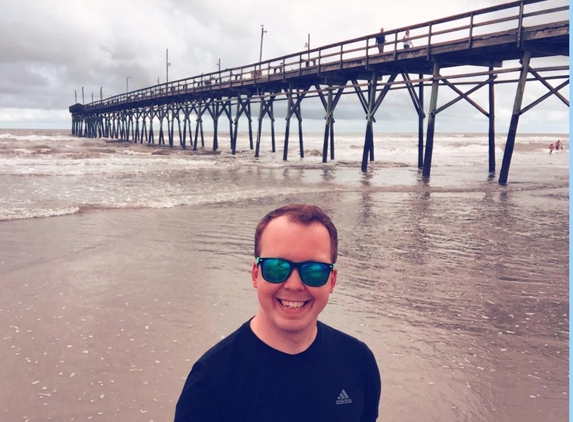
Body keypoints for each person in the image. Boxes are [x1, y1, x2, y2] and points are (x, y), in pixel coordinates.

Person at [175, 204, 381, 422]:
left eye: (313, 271)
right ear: (256, 274)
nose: (294, 285)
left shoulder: (358, 360)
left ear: (332, 280)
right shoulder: (211, 381)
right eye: (276, 268)